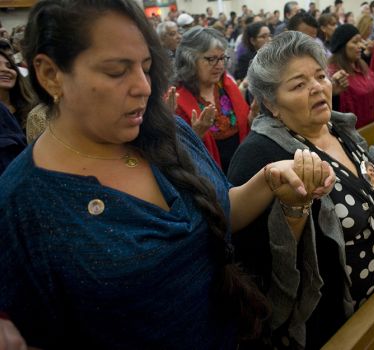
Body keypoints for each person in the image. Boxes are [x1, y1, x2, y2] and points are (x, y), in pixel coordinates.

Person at [0, 1, 335, 348]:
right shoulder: (23, 202)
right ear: (50, 74)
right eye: (117, 71)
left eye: (146, 68)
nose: (143, 86)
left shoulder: (168, 132)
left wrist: (268, 178)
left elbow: (222, 211)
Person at [228, 31, 374, 349]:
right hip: (331, 324)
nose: (318, 88)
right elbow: (255, 265)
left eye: (320, 76)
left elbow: (352, 188)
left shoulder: (337, 127)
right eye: (298, 84)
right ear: (270, 102)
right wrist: (294, 211)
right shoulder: (258, 155)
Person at [174, 27, 256, 172]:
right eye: (211, 59)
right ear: (189, 60)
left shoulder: (227, 85)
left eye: (222, 58)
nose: (220, 65)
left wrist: (252, 119)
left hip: (241, 171)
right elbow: (174, 156)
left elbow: (245, 125)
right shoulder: (176, 101)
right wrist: (195, 136)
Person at [328, 24, 374, 127]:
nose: (361, 46)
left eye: (360, 41)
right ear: (342, 46)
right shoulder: (336, 74)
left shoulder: (361, 65)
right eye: (355, 42)